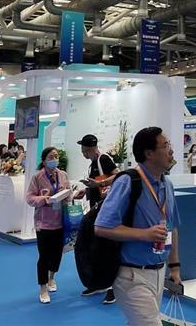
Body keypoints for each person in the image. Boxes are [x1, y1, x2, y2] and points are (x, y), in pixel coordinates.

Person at [95, 127, 182, 326]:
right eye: (165, 146)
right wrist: (144, 234)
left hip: (159, 271)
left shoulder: (167, 185)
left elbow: (172, 228)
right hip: (132, 275)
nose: (171, 151)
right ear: (149, 154)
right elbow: (101, 227)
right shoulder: (128, 182)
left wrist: (175, 267)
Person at [73, 134, 118, 304]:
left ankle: (113, 287)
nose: (82, 153)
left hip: (106, 212)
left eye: (84, 150)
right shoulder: (93, 164)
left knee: (108, 249)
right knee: (96, 249)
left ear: (90, 148)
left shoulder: (103, 159)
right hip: (97, 211)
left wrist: (100, 184)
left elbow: (119, 175)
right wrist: (86, 191)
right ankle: (100, 283)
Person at [26, 147, 71, 304]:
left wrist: (68, 196)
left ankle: (52, 277)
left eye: (56, 156)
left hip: (60, 222)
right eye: (51, 157)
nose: (54, 159)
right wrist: (44, 199)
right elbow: (30, 198)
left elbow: (69, 193)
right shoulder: (37, 177)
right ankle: (43, 288)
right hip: (43, 223)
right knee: (44, 257)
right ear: (44, 161)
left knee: (57, 254)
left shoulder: (63, 175)